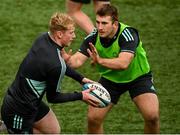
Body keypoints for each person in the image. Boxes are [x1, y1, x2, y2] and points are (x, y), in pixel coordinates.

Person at [62, 4, 160, 134]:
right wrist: (67, 61)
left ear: (115, 24)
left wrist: (100, 61)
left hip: (138, 78)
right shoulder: (94, 36)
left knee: (152, 116)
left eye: (104, 23)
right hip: (110, 80)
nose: (100, 27)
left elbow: (123, 63)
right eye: (97, 22)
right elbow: (77, 60)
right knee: (93, 119)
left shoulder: (128, 34)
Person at [0, 12, 99, 134]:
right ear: (59, 34)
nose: (74, 36)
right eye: (71, 32)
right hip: (18, 112)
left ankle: (8, 123)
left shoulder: (43, 38)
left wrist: (81, 79)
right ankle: (10, 124)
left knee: (53, 130)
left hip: (30, 103)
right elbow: (53, 97)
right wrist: (81, 96)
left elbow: (57, 65)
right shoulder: (55, 65)